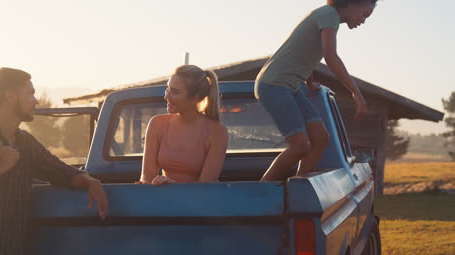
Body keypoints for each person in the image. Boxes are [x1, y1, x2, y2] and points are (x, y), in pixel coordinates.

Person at [0, 68, 109, 255]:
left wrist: (90, 181)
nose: (35, 100)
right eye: (29, 94)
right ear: (10, 97)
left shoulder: (25, 143)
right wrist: (0, 166)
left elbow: (58, 170)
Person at [255, 0, 378, 181]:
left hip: (292, 85)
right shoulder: (329, 15)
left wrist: (309, 82)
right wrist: (356, 93)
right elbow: (330, 56)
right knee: (300, 147)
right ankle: (259, 193)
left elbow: (305, 52)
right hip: (274, 84)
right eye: (365, 14)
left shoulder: (328, 17)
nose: (363, 20)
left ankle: (299, 189)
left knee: (320, 138)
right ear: (352, 3)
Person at [139, 65, 228, 185]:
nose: (166, 96)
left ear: (195, 98)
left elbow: (205, 188)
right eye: (167, 88)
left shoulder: (217, 132)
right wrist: (156, 184)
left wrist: (173, 186)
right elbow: (146, 178)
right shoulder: (156, 124)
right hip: (161, 199)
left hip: (197, 202)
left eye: (175, 92)